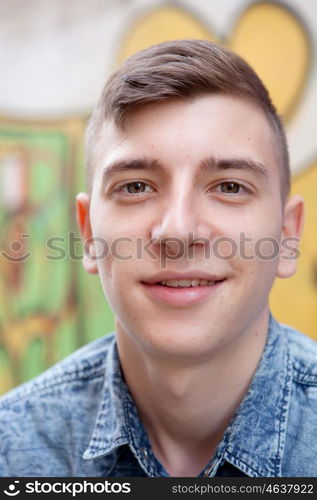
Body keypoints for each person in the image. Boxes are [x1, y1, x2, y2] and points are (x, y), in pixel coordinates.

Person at [0, 39, 316, 478]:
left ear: (286, 236)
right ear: (89, 233)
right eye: (135, 187)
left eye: (229, 187)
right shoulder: (11, 450)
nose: (179, 231)